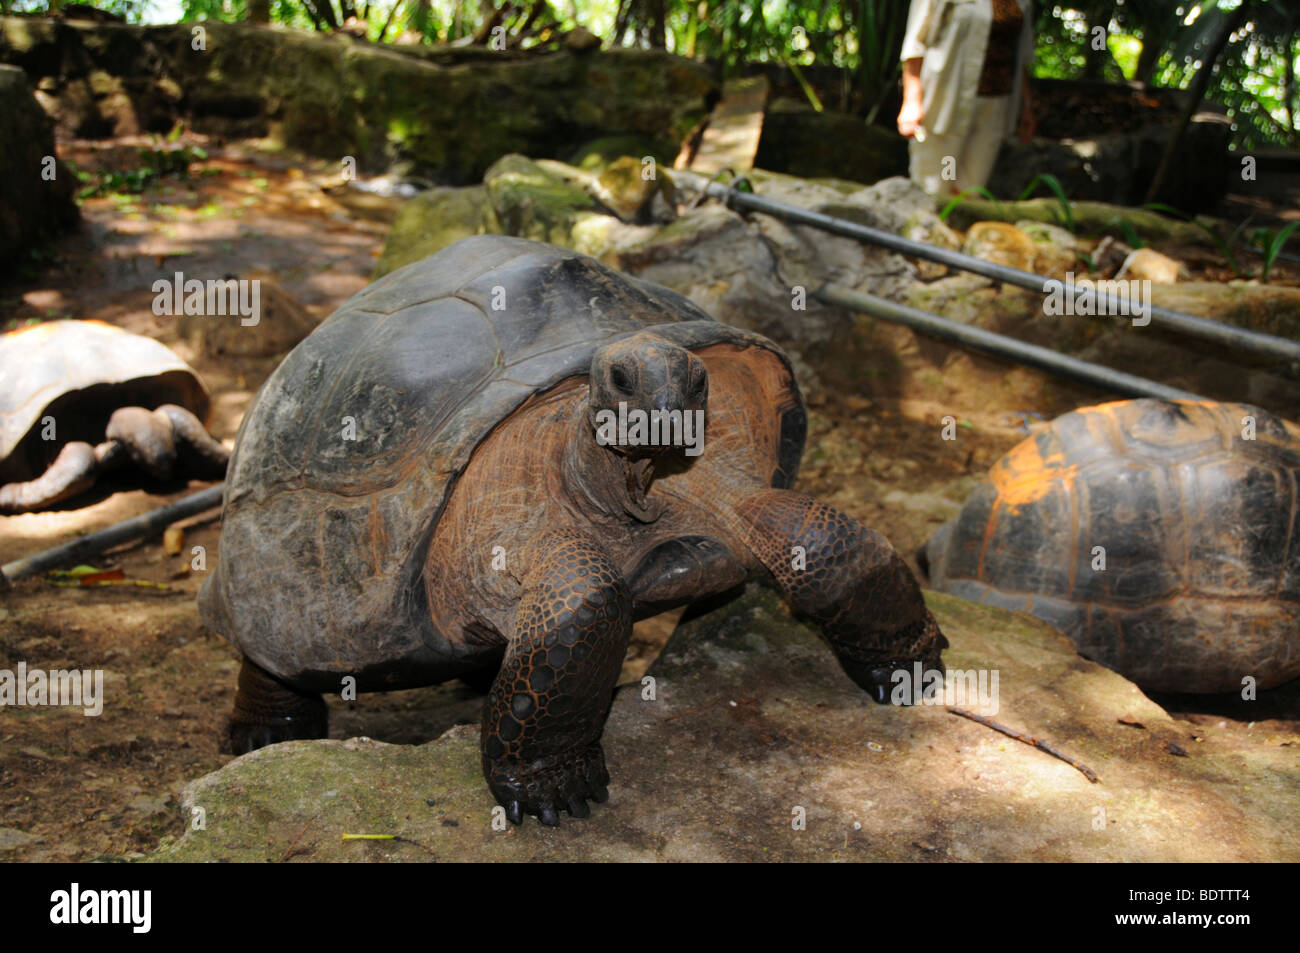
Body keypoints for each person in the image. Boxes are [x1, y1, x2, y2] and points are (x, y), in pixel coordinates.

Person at [897, 0, 1036, 196]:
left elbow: (1021, 55)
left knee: (970, 191)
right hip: (947, 105)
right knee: (937, 188)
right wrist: (911, 101)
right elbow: (915, 44)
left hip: (995, 108)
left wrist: (1026, 106)